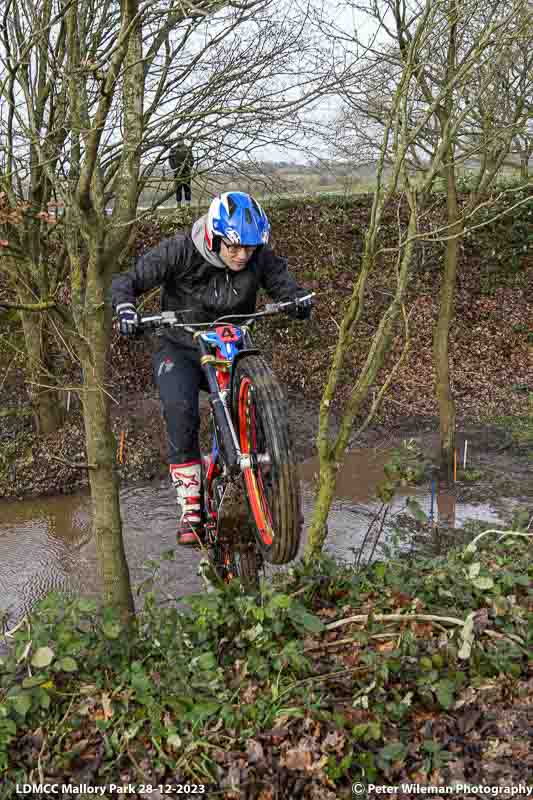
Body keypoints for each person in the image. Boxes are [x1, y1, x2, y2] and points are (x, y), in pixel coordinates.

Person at [112, 191, 313, 545]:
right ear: (214, 238)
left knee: (260, 398)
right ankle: (191, 505)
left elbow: (282, 282)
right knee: (180, 409)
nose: (242, 256)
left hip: (232, 346)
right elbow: (127, 280)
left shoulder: (257, 256)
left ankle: (271, 482)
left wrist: (293, 299)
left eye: (249, 249)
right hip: (181, 346)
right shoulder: (179, 250)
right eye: (234, 248)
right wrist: (126, 309)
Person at [168, 138, 194, 205]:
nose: (180, 141)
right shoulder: (173, 149)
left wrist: (189, 166)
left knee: (187, 189)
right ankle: (178, 205)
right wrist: (174, 168)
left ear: (183, 140)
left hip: (186, 172)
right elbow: (170, 160)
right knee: (178, 189)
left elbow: (192, 160)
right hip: (177, 173)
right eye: (179, 140)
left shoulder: (187, 148)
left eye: (181, 139)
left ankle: (188, 205)